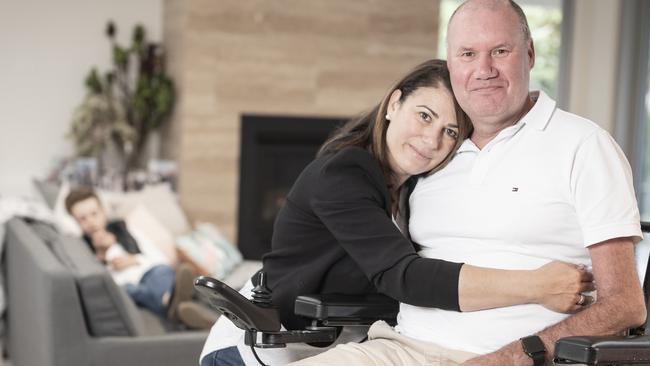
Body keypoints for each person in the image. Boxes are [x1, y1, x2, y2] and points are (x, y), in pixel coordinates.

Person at [289, 1, 646, 365]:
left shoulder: (585, 145)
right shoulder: (434, 154)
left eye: (500, 51)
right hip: (398, 349)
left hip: (521, 359)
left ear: (530, 54)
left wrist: (513, 356)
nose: (484, 69)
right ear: (450, 62)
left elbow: (625, 305)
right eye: (468, 53)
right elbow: (400, 270)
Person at [200, 59, 594, 366]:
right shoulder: (344, 173)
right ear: (394, 104)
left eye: (451, 131)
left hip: (330, 346)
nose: (431, 139)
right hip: (253, 351)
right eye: (425, 116)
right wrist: (536, 285)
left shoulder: (411, 190)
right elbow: (401, 275)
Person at [65, 187, 217, 329]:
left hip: (150, 272)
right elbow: (98, 282)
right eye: (82, 219)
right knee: (132, 290)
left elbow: (159, 259)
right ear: (75, 222)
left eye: (94, 214)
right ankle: (177, 305)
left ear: (103, 212)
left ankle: (173, 305)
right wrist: (102, 258)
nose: (90, 222)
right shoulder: (81, 249)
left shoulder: (126, 231)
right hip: (128, 286)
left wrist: (134, 260)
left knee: (160, 272)